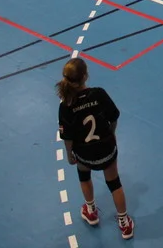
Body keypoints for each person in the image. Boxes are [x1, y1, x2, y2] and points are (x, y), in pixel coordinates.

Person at [56, 57, 134, 240]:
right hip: (106, 149)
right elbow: (114, 116)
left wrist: (69, 155)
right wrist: (111, 134)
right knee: (114, 184)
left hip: (84, 153)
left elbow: (67, 137)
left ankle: (90, 211)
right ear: (85, 76)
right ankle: (124, 223)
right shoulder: (98, 94)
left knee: (84, 177)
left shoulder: (66, 106)